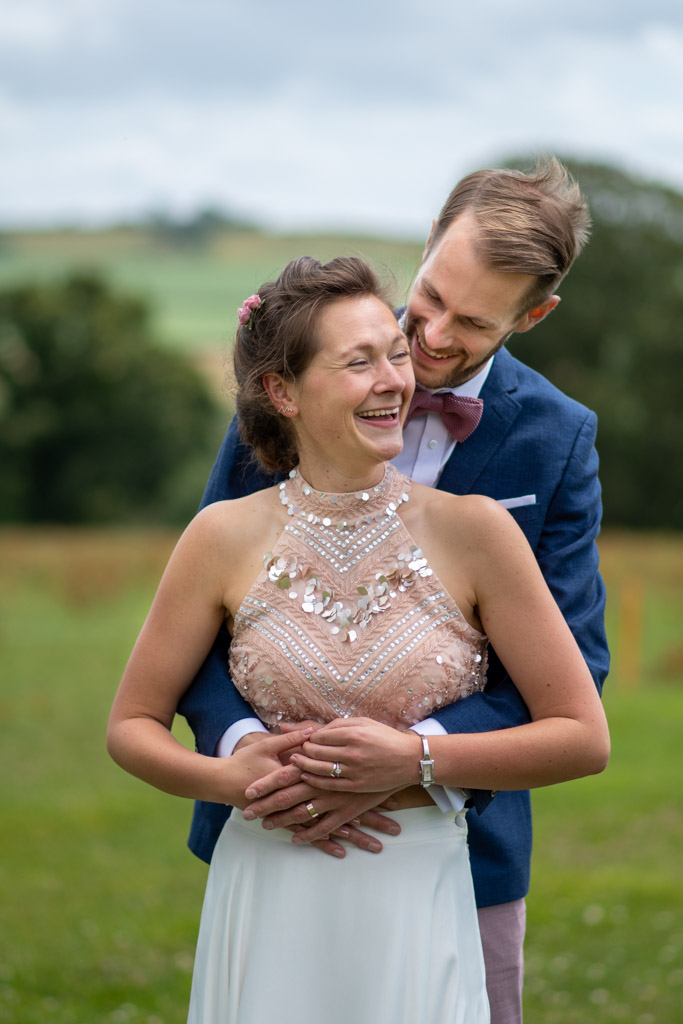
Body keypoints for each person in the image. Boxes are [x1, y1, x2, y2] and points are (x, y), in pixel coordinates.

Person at [108, 254, 609, 1023]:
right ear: (283, 392)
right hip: (265, 877)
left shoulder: (477, 532)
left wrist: (416, 759)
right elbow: (132, 725)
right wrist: (229, 779)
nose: (394, 382)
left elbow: (581, 737)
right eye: (358, 362)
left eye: (395, 355)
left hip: (415, 886)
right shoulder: (219, 536)